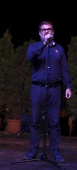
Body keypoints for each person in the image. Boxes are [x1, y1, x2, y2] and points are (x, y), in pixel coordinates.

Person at [22, 21, 72, 163]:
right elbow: (30, 57)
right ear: (39, 33)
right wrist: (44, 44)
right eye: (43, 30)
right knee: (35, 122)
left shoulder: (59, 49)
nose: (46, 32)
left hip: (54, 89)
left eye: (48, 29)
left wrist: (68, 86)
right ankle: (33, 150)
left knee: (55, 122)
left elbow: (64, 69)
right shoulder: (34, 47)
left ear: (53, 32)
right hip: (37, 89)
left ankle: (55, 152)